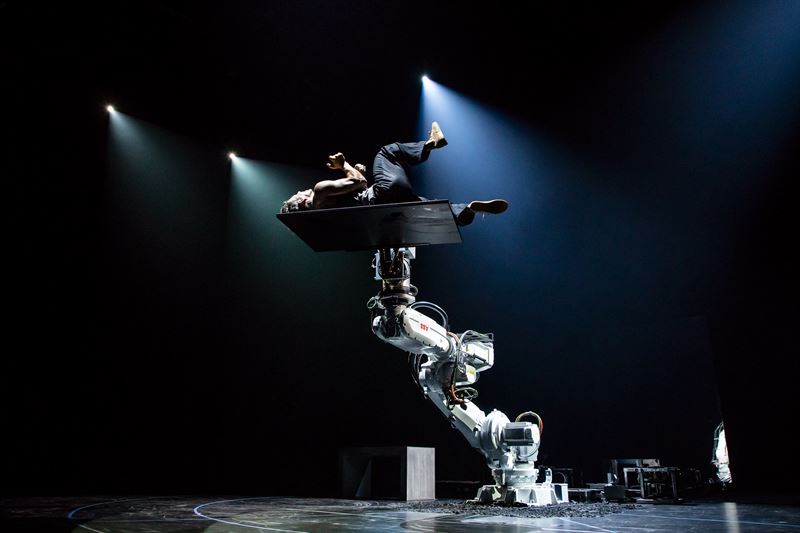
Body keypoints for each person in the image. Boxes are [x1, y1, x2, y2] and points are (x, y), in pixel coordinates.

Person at [280, 122, 508, 225]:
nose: (301, 191)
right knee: (386, 152)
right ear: (301, 203)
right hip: (382, 195)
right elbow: (360, 183)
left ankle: (468, 209)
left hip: (383, 208)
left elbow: (357, 187)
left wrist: (353, 173)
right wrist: (344, 164)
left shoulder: (324, 214)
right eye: (297, 194)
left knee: (434, 209)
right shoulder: (319, 191)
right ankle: (429, 144)